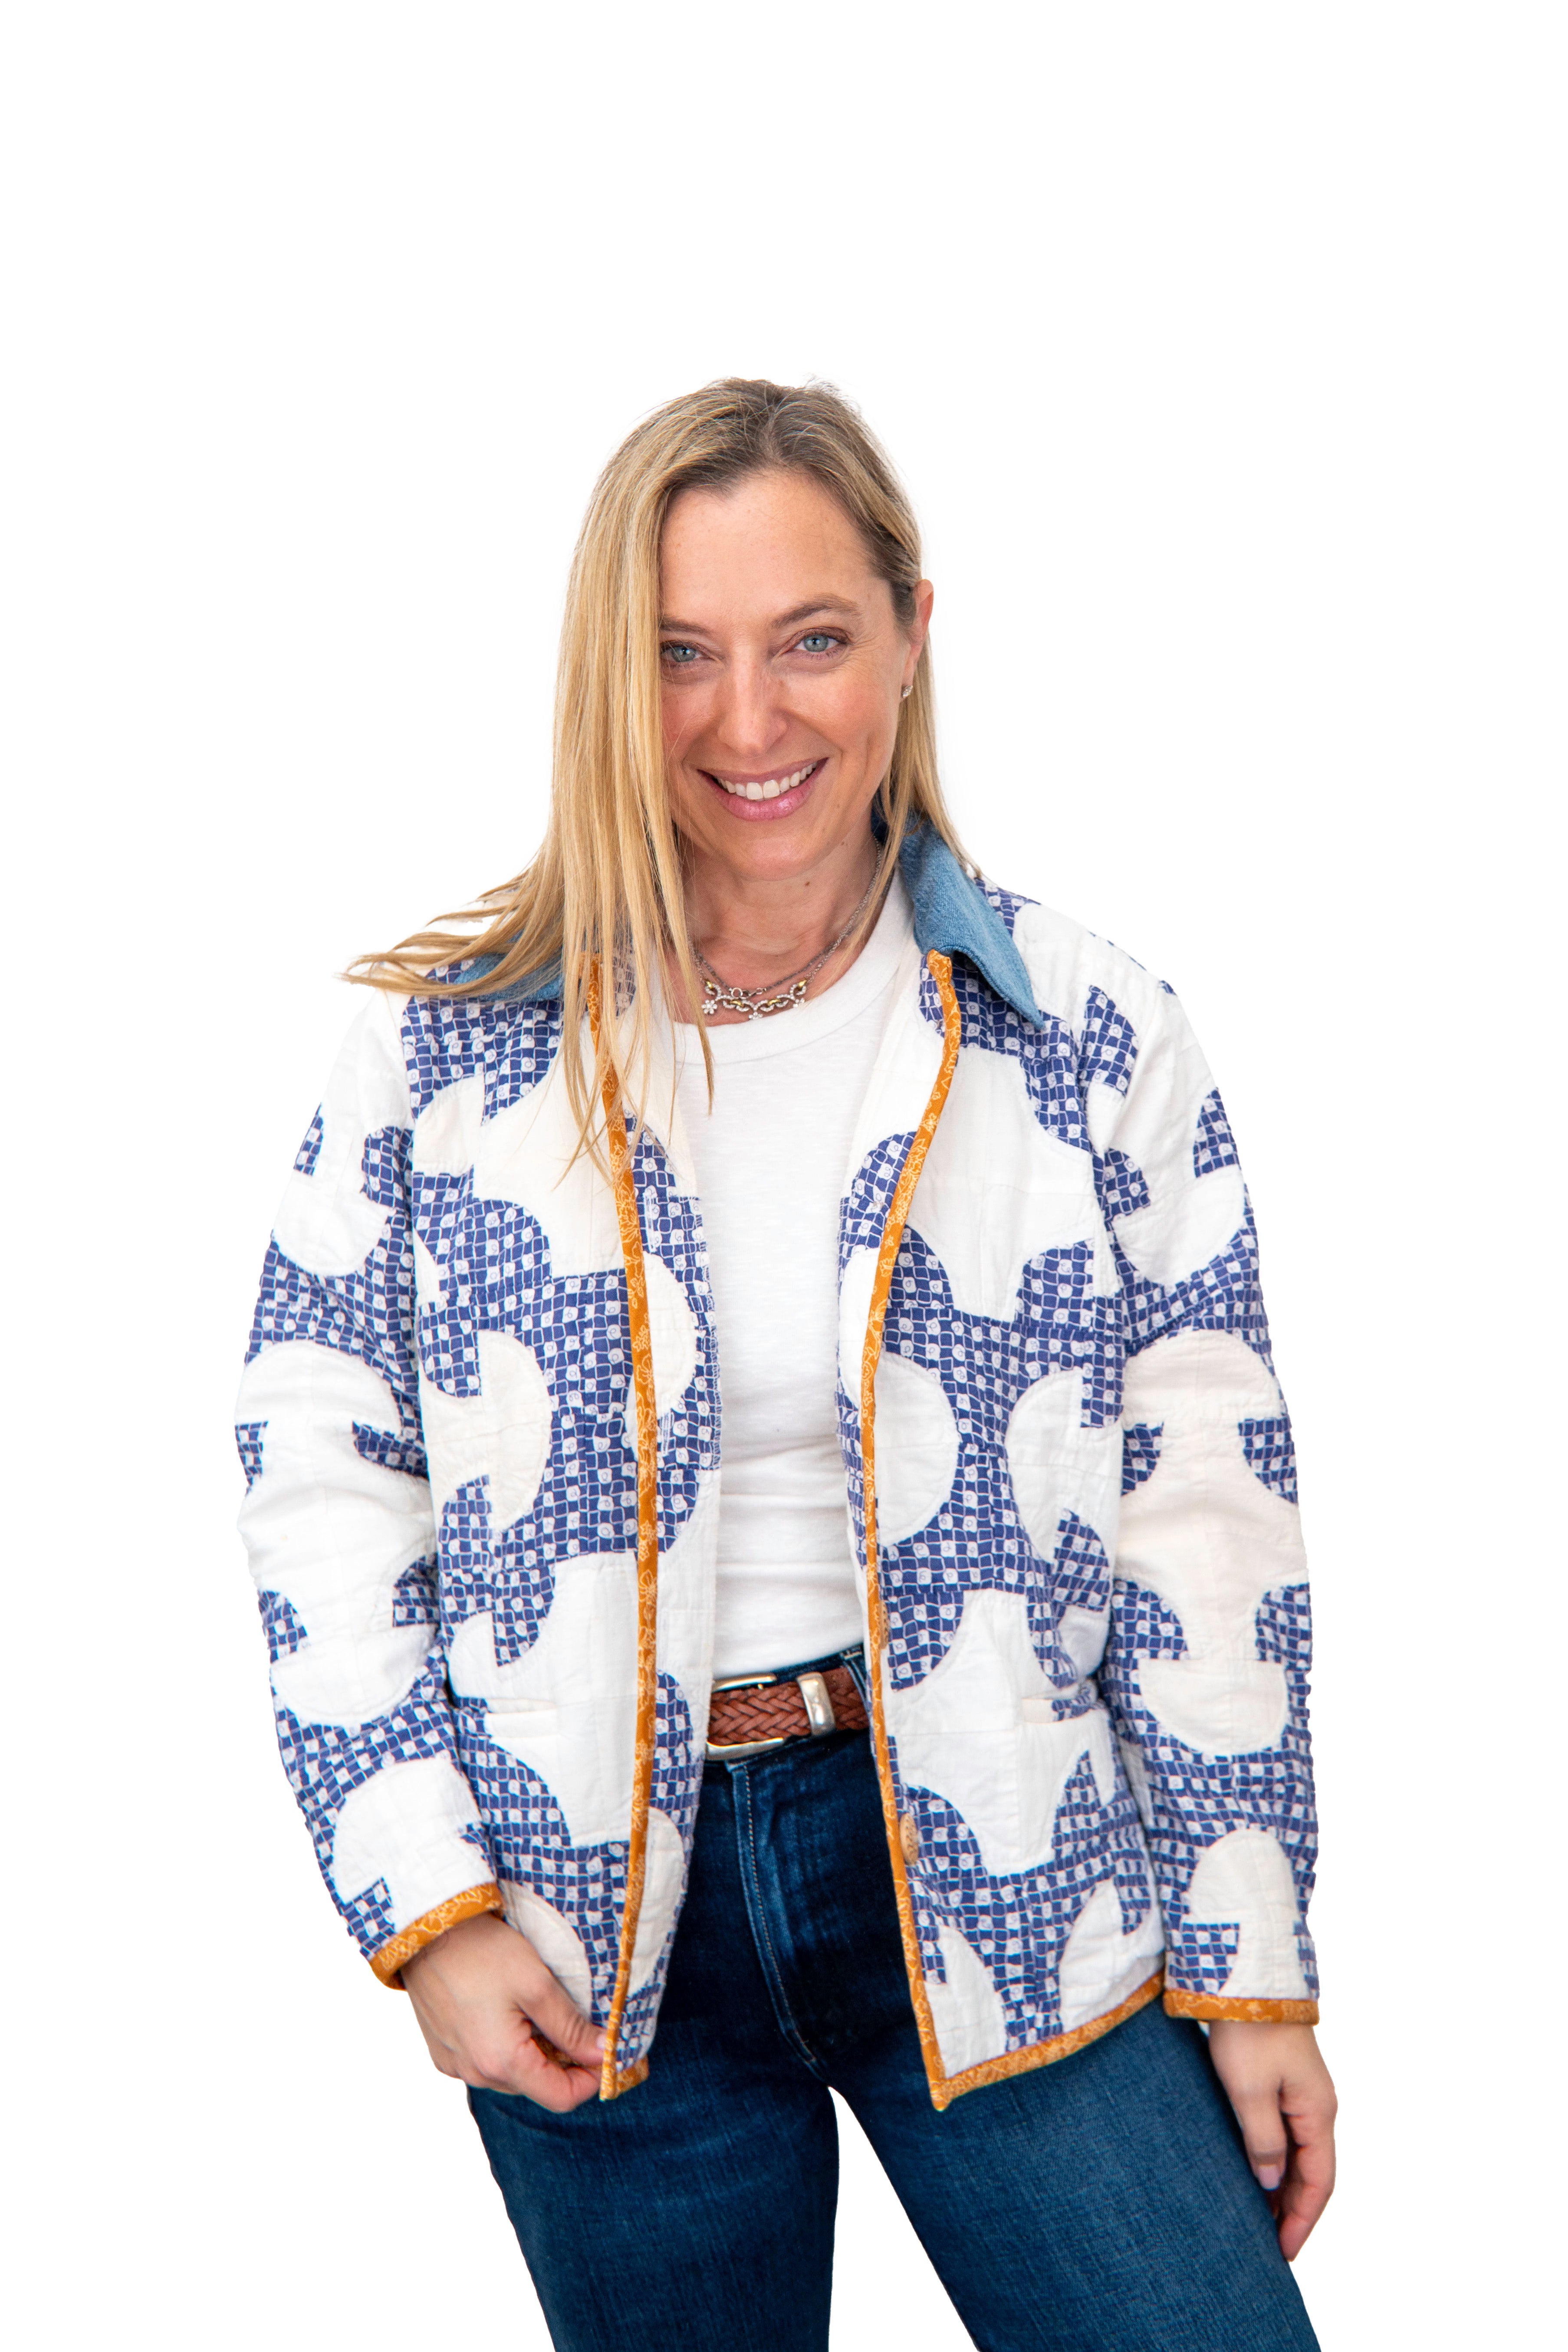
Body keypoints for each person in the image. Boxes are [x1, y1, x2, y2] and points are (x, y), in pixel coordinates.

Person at [237, 378, 1335, 2351]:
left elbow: (1205, 1521)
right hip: (592, 1923)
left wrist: (1251, 1966)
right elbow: (322, 1471)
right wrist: (428, 1902)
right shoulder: (445, 1056)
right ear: (610, 674)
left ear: (913, 634)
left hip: (1012, 1868)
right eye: (682, 654)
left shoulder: (1084, 1035)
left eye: (811, 639)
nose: (748, 721)